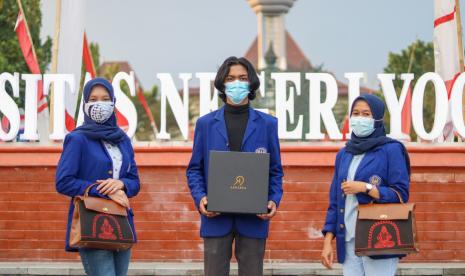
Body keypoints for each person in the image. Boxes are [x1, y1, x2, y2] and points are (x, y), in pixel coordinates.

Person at [186, 56, 283, 276]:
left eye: (242, 77)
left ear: (251, 83)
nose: (236, 83)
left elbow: (275, 170)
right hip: (215, 217)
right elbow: (194, 169)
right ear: (222, 83)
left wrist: (273, 199)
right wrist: (201, 197)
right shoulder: (206, 124)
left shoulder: (268, 124)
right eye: (230, 78)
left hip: (254, 218)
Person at [56, 78, 140, 276]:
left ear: (113, 102)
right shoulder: (77, 139)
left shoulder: (123, 139)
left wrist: (121, 184)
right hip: (93, 221)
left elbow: (135, 181)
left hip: (122, 222)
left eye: (105, 98)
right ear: (85, 104)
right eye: (93, 99)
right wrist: (103, 190)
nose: (99, 104)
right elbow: (63, 181)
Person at [320, 94, 411, 276]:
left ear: (377, 118)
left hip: (378, 238)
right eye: (356, 113)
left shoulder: (391, 150)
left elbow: (400, 194)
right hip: (348, 240)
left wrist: (366, 188)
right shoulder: (344, 154)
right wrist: (327, 241)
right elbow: (335, 201)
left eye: (366, 114)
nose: (360, 118)